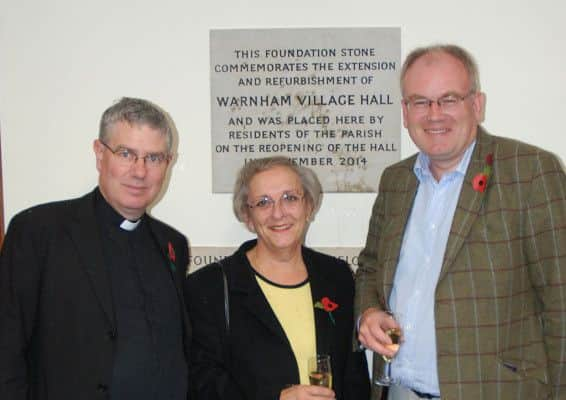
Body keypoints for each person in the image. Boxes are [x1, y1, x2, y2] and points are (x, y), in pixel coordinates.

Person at [355, 44, 566, 400]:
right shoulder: (395, 181)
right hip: (399, 392)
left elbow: (561, 301)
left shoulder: (529, 172)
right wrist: (368, 312)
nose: (434, 114)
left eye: (449, 99)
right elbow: (370, 267)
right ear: (405, 112)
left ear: (477, 104)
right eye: (420, 102)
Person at [0, 97, 191, 400]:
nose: (140, 171)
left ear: (168, 163)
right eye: (126, 153)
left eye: (154, 158)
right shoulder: (39, 231)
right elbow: (6, 348)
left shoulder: (173, 244)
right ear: (100, 154)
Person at [186, 156, 370, 400]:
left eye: (290, 198)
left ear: (309, 206)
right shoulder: (208, 287)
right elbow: (201, 382)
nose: (278, 213)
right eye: (263, 203)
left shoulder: (337, 276)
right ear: (247, 217)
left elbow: (353, 375)